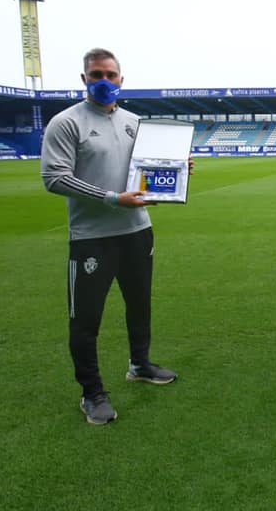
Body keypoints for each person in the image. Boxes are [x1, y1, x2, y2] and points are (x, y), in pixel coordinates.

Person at [41, 47, 185, 424]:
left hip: (138, 231)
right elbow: (54, 178)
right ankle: (92, 393)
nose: (104, 81)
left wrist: (176, 170)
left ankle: (140, 364)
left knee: (140, 306)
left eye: (110, 75)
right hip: (92, 237)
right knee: (86, 320)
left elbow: (147, 172)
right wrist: (110, 198)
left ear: (122, 79)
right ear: (84, 79)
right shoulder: (66, 122)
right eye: (96, 75)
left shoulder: (134, 122)